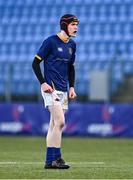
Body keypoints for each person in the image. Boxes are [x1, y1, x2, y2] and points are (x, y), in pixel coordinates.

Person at [32, 14, 79, 169]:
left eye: (76, 25)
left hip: (63, 89)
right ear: (64, 25)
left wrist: (71, 87)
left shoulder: (72, 45)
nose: (76, 27)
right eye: (73, 24)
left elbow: (71, 68)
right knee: (60, 122)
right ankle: (57, 158)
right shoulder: (50, 42)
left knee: (54, 125)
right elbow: (35, 63)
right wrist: (43, 83)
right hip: (50, 88)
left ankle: (49, 161)